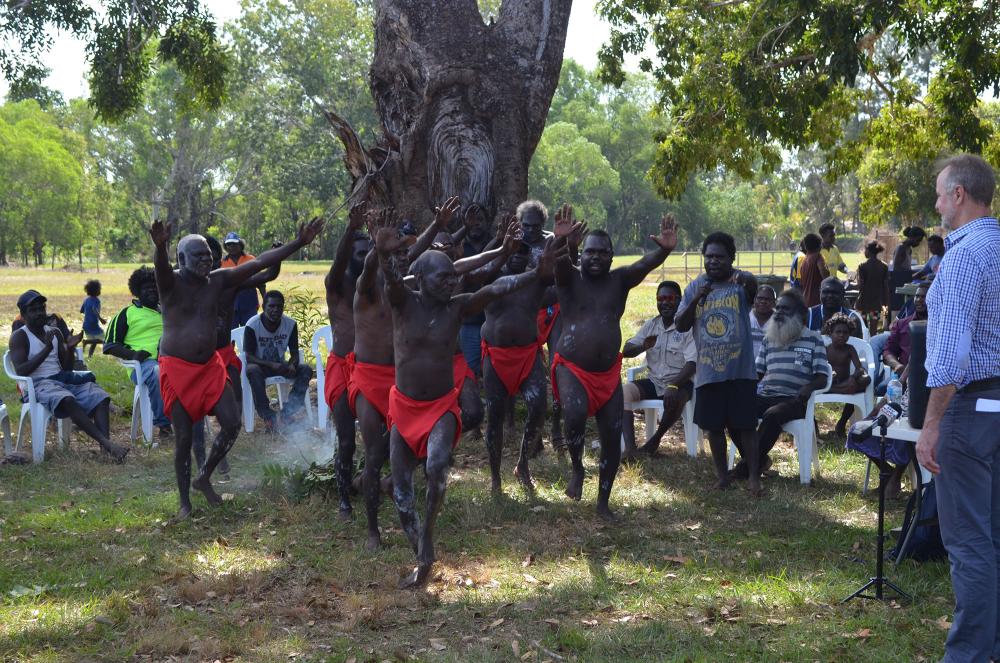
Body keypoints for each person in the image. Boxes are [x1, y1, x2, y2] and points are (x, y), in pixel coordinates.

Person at [375, 223, 557, 588]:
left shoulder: (457, 308)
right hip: (404, 408)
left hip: (441, 405)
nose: (452, 282)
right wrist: (382, 252)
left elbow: (493, 288)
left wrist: (534, 274)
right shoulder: (402, 302)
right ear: (421, 278)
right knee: (402, 493)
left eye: (453, 276)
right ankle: (421, 554)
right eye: (443, 277)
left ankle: (427, 537)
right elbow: (393, 279)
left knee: (438, 467)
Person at [151, 217, 323, 522]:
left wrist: (298, 243)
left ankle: (204, 476)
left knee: (231, 424)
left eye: (207, 254)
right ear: (181, 259)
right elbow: (162, 268)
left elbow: (260, 264)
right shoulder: (171, 283)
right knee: (184, 440)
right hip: (177, 369)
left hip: (209, 368)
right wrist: (160, 245)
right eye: (197, 256)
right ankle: (184, 503)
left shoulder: (218, 280)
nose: (205, 260)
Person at [915, 154, 1000, 663]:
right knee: (991, 537)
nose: (937, 203)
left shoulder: (965, 254)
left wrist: (931, 425)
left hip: (969, 410)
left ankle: (969, 654)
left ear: (960, 196)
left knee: (969, 544)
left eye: (941, 193)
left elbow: (950, 354)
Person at [552, 208, 678, 518]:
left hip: (607, 374)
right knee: (576, 413)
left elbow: (644, 264)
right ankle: (578, 469)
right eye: (589, 251)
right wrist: (563, 243)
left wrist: (664, 249)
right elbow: (559, 264)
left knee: (612, 435)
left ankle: (603, 502)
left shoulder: (619, 281)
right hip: (571, 367)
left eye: (602, 253)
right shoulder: (569, 279)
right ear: (581, 254)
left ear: (611, 257)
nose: (594, 257)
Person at [676, 232, 761, 494]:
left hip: (740, 370)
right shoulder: (695, 287)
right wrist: (696, 298)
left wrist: (748, 279)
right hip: (709, 370)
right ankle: (722, 477)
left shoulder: (740, 283)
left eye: (719, 257)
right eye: (709, 256)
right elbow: (680, 324)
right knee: (713, 428)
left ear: (731, 259)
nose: (713, 261)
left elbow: (755, 288)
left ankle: (754, 479)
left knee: (746, 427)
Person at [9, 290, 128, 462]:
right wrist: (46, 349)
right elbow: (21, 371)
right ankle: (108, 444)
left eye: (41, 308)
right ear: (23, 314)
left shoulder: (55, 332)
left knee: (100, 396)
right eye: (33, 310)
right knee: (67, 399)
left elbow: (66, 367)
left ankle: (105, 452)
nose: (39, 313)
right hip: (36, 385)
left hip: (60, 379)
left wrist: (70, 350)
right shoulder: (19, 336)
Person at [480, 241, 555, 493]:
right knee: (495, 416)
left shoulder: (536, 283)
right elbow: (481, 269)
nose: (516, 258)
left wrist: (570, 246)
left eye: (522, 253)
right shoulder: (490, 279)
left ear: (527, 259)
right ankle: (495, 477)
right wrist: (500, 247)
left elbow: (561, 279)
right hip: (496, 357)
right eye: (512, 253)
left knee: (538, 407)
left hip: (527, 355)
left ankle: (522, 464)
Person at [732, 289, 829, 481]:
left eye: (785, 309)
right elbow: (758, 372)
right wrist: (743, 390)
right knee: (733, 411)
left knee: (773, 414)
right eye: (778, 308)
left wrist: (808, 388)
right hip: (767, 394)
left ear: (800, 314)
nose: (778, 312)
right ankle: (757, 462)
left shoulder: (814, 339)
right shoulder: (770, 337)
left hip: (794, 400)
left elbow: (822, 377)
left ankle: (744, 469)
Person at [324, 203, 371, 519]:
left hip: (370, 370)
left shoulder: (377, 286)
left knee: (381, 435)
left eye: (369, 251)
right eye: (360, 252)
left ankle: (367, 481)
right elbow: (339, 264)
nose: (365, 256)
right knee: (346, 440)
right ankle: (344, 499)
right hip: (342, 367)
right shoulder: (336, 288)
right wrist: (350, 230)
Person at [621, 280, 696, 457]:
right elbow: (627, 350)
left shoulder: (687, 328)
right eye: (660, 299)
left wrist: (673, 385)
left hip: (680, 383)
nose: (665, 303)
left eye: (669, 298)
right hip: (655, 382)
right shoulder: (651, 325)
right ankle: (631, 449)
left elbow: (692, 364)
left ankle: (653, 442)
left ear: (679, 300)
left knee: (675, 397)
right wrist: (642, 346)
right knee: (621, 393)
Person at [102, 267, 171, 437]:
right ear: (137, 292)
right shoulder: (127, 313)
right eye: (146, 288)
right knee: (157, 372)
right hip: (145, 365)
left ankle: (193, 421)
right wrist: (133, 355)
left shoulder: (168, 310)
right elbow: (109, 345)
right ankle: (165, 427)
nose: (151, 291)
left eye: (154, 287)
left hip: (172, 357)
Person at [243, 291, 313, 430]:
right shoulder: (252, 325)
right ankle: (269, 417)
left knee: (306, 369)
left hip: (281, 365)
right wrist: (271, 364)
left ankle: (287, 413)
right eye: (271, 306)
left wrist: (292, 364)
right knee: (252, 369)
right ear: (264, 307)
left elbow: (294, 353)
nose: (276, 310)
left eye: (279, 306)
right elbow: (249, 356)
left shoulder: (290, 324)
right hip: (261, 366)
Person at [823, 313, 870, 436]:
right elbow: (820, 367)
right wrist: (829, 374)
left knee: (866, 380)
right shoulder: (826, 349)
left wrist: (855, 376)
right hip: (830, 383)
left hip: (846, 383)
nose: (841, 335)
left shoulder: (850, 349)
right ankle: (833, 389)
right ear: (830, 333)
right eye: (838, 332)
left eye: (845, 333)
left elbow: (860, 368)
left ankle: (842, 423)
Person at [882, 281, 929, 386]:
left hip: (927, 377)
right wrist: (896, 365)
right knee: (881, 388)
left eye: (924, 297)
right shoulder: (902, 324)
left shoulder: (938, 326)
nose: (919, 300)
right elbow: (888, 350)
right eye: (917, 296)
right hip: (902, 374)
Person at [221, 231, 266, 327]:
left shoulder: (251, 259)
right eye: (228, 244)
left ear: (240, 244)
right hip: (230, 304)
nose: (231, 246)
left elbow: (260, 282)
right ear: (225, 246)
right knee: (231, 334)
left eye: (234, 244)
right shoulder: (222, 263)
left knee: (249, 330)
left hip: (249, 302)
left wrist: (265, 297)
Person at [855, 241, 890, 336]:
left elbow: (860, 286)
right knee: (874, 328)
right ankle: (872, 346)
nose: (864, 252)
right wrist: (886, 303)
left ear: (869, 251)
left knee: (863, 327)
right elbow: (885, 286)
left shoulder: (862, 266)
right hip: (876, 304)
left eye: (865, 250)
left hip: (863, 303)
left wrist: (854, 283)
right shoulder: (884, 266)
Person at [889, 226, 925, 314]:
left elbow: (906, 267)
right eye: (918, 240)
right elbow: (897, 269)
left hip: (905, 280)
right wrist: (914, 273)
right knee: (899, 310)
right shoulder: (901, 248)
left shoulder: (908, 249)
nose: (918, 243)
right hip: (899, 282)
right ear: (912, 237)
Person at [798, 233, 828, 308]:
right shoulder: (818, 257)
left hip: (805, 302)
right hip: (817, 302)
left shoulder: (804, 261)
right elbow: (826, 277)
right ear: (819, 245)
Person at [80, 280, 106, 357]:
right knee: (104, 340)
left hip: (86, 325)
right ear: (96, 291)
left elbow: (81, 310)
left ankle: (89, 356)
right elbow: (94, 309)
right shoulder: (96, 301)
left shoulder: (86, 300)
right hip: (93, 325)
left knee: (94, 341)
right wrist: (101, 319)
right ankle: (86, 342)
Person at [749, 285, 776, 358]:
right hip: (748, 365)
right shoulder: (746, 317)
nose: (763, 301)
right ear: (754, 300)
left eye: (767, 299)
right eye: (759, 298)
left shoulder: (778, 319)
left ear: (774, 302)